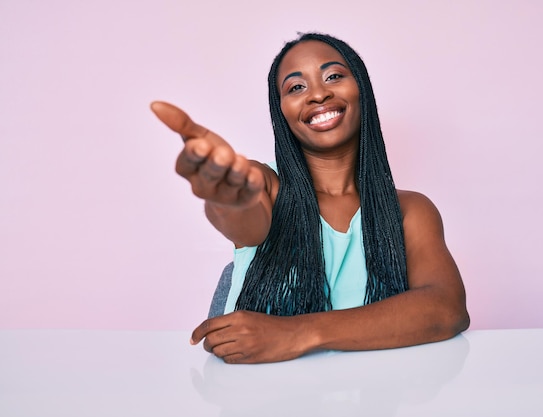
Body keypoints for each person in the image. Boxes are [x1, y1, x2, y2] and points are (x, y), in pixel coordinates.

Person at [151, 32, 469, 364]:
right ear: (282, 112)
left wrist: (299, 333)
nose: (318, 93)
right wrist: (229, 195)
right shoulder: (268, 186)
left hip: (374, 391)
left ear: (362, 90)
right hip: (256, 390)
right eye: (296, 87)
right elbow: (244, 215)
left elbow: (446, 308)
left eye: (333, 76)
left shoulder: (410, 210)